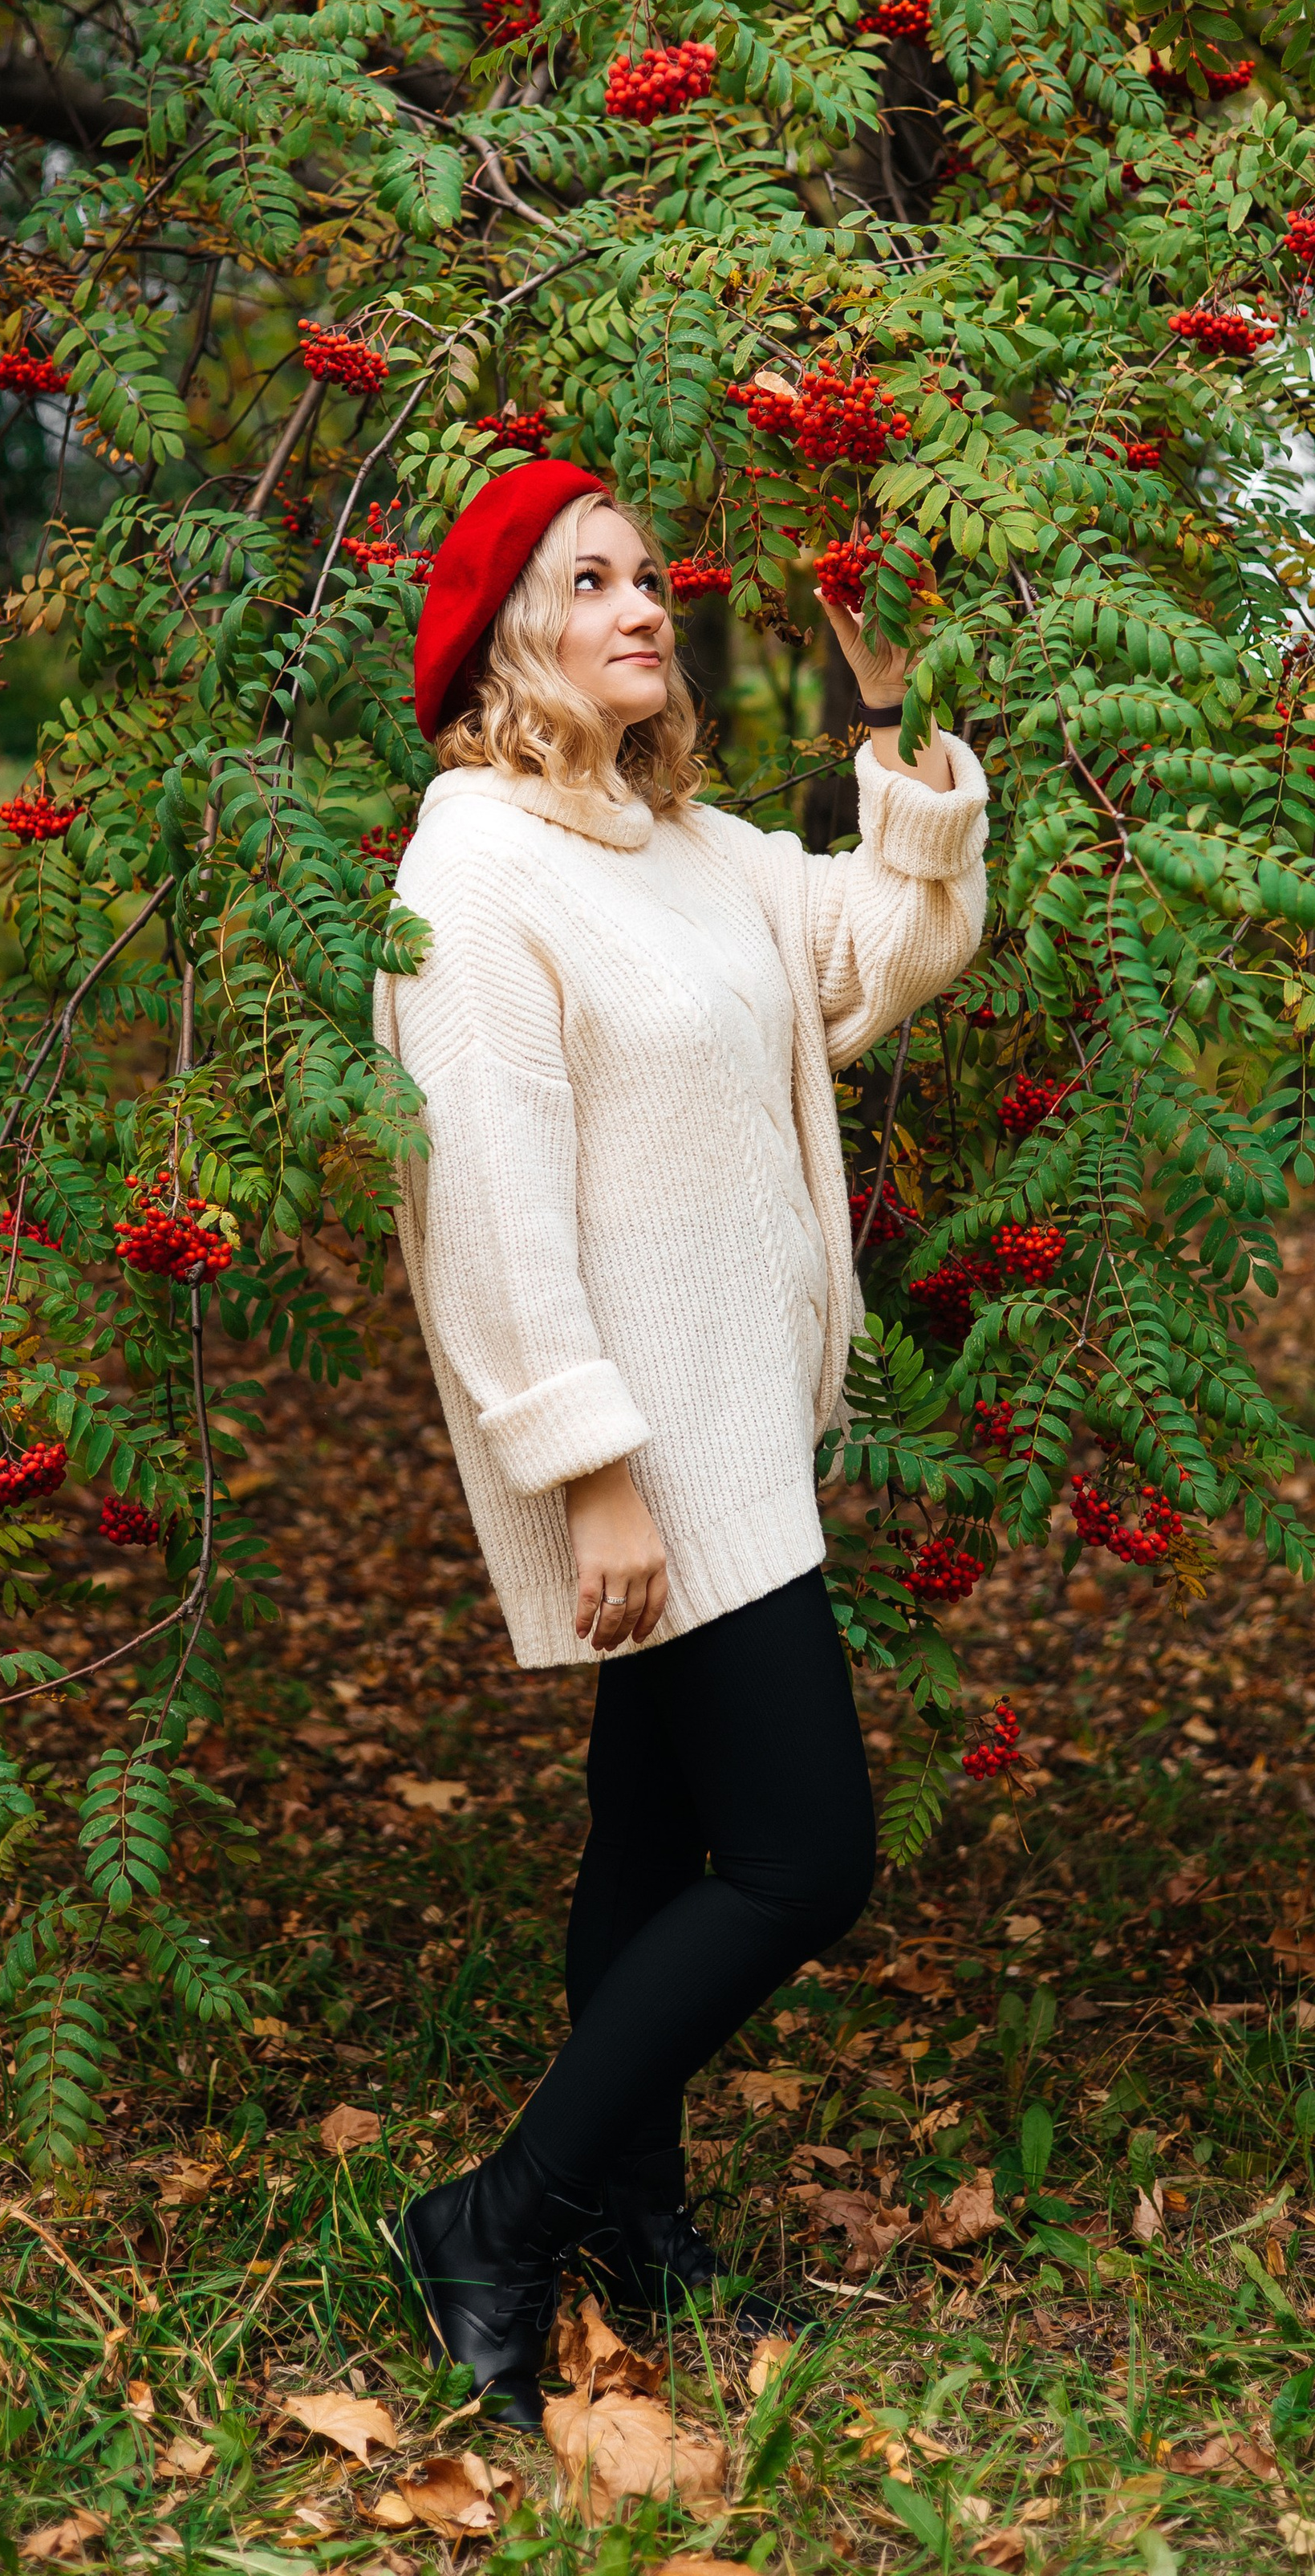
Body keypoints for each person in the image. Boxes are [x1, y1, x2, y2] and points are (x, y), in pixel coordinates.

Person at [371, 457, 989, 2427]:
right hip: (655, 1458)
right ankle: (499, 2212)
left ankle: (628, 2203)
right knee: (806, 1859)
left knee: (649, 1836)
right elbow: (485, 1199)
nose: (641, 605)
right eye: (589, 581)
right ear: (502, 635)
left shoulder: (683, 843)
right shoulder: (470, 871)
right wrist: (595, 1468)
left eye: (647, 576)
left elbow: (871, 963)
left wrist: (886, 720)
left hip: (743, 1419)